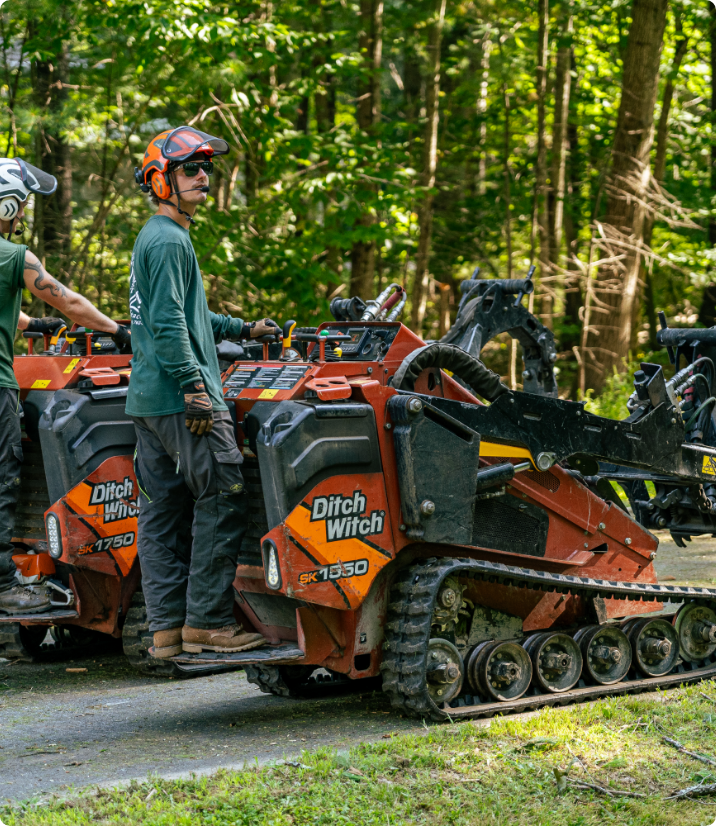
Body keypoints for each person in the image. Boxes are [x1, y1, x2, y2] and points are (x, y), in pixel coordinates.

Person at [129, 126, 274, 658]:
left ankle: (166, 629)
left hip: (148, 400)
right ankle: (208, 623)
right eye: (191, 169)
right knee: (225, 491)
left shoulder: (157, 238)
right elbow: (168, 322)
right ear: (160, 179)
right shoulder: (169, 240)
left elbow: (187, 315)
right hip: (180, 397)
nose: (203, 178)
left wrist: (241, 328)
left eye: (206, 169)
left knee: (162, 510)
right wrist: (195, 387)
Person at [0, 157, 130, 615]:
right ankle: (3, 583)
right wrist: (116, 330)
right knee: (3, 478)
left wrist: (32, 322)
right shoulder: (15, 256)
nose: (21, 217)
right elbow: (70, 301)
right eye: (20, 207)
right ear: (8, 204)